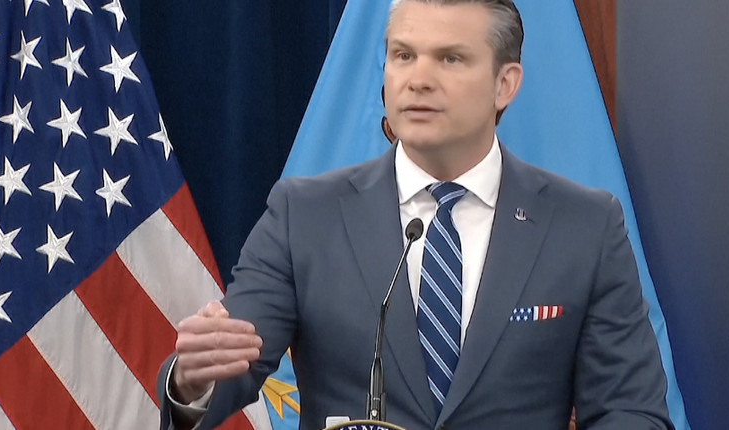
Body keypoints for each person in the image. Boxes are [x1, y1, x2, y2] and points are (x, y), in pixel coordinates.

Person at [157, 1, 675, 429]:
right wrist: (193, 378)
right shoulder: (304, 215)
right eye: (403, 55)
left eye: (450, 59)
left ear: (505, 84)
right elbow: (233, 364)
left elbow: (631, 411)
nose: (418, 79)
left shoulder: (584, 226)